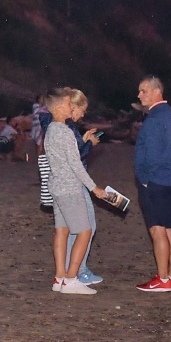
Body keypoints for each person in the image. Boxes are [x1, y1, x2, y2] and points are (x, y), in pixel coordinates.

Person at [43, 87, 108, 295]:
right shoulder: (64, 132)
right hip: (70, 188)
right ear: (59, 108)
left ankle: (60, 277)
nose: (72, 107)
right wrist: (94, 188)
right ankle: (71, 278)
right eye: (69, 104)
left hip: (56, 187)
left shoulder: (51, 129)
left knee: (61, 231)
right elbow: (76, 165)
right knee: (84, 231)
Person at [133, 76, 171, 292]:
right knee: (169, 228)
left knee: (157, 230)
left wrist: (144, 178)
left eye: (143, 91)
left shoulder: (154, 118)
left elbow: (152, 154)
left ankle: (162, 279)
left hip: (156, 181)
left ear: (157, 91)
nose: (139, 95)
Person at [65, 90, 104, 285]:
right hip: (75, 181)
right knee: (85, 226)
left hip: (69, 182)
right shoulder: (68, 127)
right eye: (83, 109)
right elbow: (77, 158)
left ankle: (70, 269)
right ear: (73, 106)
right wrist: (88, 144)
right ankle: (78, 271)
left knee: (75, 228)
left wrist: (84, 140)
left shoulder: (64, 127)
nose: (83, 114)